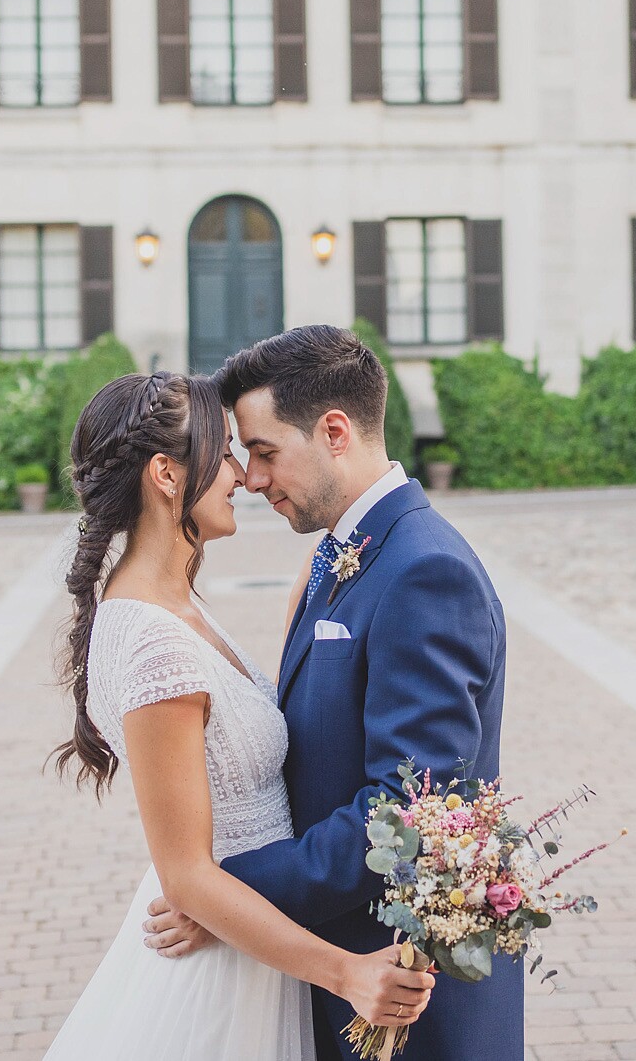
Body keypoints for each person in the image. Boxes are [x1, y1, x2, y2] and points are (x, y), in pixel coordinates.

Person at [142, 326, 524, 1061]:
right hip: (342, 968)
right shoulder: (343, 551)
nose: (250, 478)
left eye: (263, 450)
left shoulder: (423, 571)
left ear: (335, 431)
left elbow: (403, 813)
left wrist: (225, 892)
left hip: (408, 993)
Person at [42, 370, 433, 1061]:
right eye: (223, 453)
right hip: (219, 977)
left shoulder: (177, 603)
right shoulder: (152, 639)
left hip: (257, 947)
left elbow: (237, 727)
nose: (242, 476)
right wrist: (346, 973)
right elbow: (187, 874)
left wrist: (322, 590)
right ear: (166, 475)